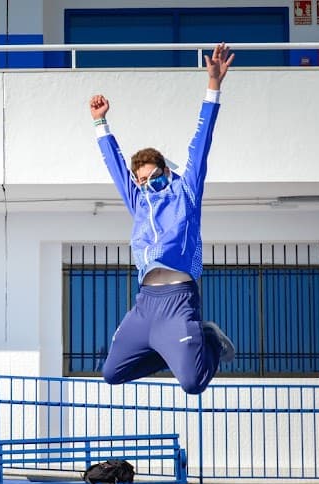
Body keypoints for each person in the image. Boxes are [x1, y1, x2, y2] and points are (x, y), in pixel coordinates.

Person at [89, 42, 236, 395]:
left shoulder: (185, 192)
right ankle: (168, 352)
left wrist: (213, 87)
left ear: (166, 171)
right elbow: (114, 167)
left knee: (192, 383)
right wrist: (100, 123)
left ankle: (209, 340)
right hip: (145, 304)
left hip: (179, 300)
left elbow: (201, 143)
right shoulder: (139, 202)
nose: (147, 186)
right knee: (112, 372)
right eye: (140, 181)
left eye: (153, 177)